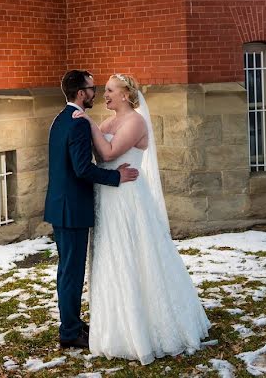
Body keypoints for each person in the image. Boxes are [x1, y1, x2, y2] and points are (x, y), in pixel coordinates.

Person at [73, 73, 210, 364]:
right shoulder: (109, 122)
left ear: (125, 94)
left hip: (128, 199)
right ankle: (116, 325)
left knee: (135, 256)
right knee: (112, 256)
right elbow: (98, 152)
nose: (105, 95)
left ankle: (147, 326)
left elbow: (108, 151)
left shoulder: (135, 121)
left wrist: (86, 123)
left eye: (110, 91)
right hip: (107, 198)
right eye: (105, 91)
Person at [44, 70, 139, 350]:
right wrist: (116, 177)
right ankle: (70, 332)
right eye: (92, 87)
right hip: (71, 210)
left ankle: (71, 323)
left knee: (68, 271)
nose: (95, 92)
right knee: (71, 273)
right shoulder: (78, 124)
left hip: (61, 207)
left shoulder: (60, 119)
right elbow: (82, 169)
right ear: (80, 93)